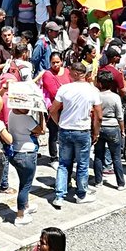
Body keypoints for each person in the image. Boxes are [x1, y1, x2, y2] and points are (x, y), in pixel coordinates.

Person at [48, 61, 101, 209]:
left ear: (77, 74)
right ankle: (81, 194)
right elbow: (99, 115)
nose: (68, 75)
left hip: (65, 129)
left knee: (63, 164)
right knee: (83, 164)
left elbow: (53, 110)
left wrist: (59, 123)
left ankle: (59, 195)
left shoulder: (64, 89)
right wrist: (96, 132)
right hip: (82, 131)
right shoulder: (92, 90)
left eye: (71, 73)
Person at [92, 71, 126, 192]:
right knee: (116, 157)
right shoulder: (115, 97)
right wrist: (122, 130)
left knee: (98, 155)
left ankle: (98, 181)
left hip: (99, 127)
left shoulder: (96, 96)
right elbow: (120, 116)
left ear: (100, 84)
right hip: (113, 127)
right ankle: (120, 183)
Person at [36, 51, 69, 162]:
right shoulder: (47, 74)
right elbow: (54, 92)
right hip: (53, 108)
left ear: (62, 62)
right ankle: (54, 157)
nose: (55, 65)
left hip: (67, 108)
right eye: (53, 62)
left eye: (57, 62)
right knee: (53, 133)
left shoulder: (67, 72)